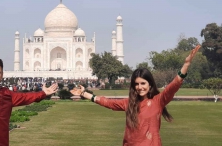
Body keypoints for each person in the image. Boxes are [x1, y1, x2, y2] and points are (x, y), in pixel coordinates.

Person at [71, 45, 201, 146]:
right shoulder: (129, 104)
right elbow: (108, 102)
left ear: (150, 84)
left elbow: (173, 86)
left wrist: (186, 64)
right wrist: (84, 93)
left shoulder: (158, 101)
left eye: (143, 83)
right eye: (136, 84)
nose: (140, 87)